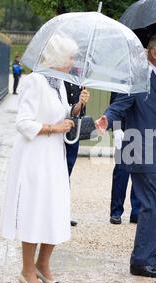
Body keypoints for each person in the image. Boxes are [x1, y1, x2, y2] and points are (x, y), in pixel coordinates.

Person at [95, 33, 156, 278]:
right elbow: (120, 104)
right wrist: (107, 119)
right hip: (143, 151)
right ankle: (140, 260)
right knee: (151, 206)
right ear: (154, 53)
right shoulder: (138, 77)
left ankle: (151, 255)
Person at [0, 35, 81, 283]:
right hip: (34, 156)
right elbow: (23, 122)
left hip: (54, 155)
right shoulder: (35, 81)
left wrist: (77, 107)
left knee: (56, 208)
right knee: (33, 210)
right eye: (70, 57)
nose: (73, 62)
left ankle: (43, 264)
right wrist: (53, 128)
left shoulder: (58, 83)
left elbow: (64, 117)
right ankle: (26, 270)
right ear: (57, 58)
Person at [109, 92, 141, 225]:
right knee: (121, 173)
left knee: (140, 173)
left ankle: (137, 212)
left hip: (141, 131)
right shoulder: (121, 79)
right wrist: (116, 129)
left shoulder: (147, 80)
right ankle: (116, 212)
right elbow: (114, 107)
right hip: (123, 131)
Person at [64, 81, 90, 227]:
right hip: (58, 130)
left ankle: (62, 212)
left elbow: (78, 111)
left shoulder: (81, 80)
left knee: (67, 171)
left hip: (74, 130)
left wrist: (82, 102)